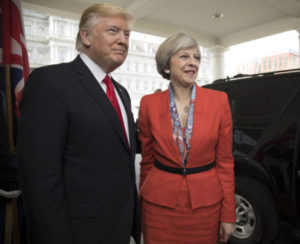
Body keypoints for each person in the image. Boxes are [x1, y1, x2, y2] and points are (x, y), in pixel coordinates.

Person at [17, 3, 140, 244]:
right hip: (75, 232)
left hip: (119, 228)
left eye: (127, 35)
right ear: (86, 36)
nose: (123, 40)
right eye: (113, 31)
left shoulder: (121, 92)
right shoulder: (50, 82)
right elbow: (39, 179)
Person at [138, 32, 236, 244]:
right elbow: (147, 160)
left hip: (205, 208)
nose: (193, 63)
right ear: (166, 66)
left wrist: (228, 214)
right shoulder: (148, 104)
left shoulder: (219, 101)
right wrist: (142, 204)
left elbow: (225, 163)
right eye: (184, 56)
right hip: (158, 207)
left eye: (197, 57)